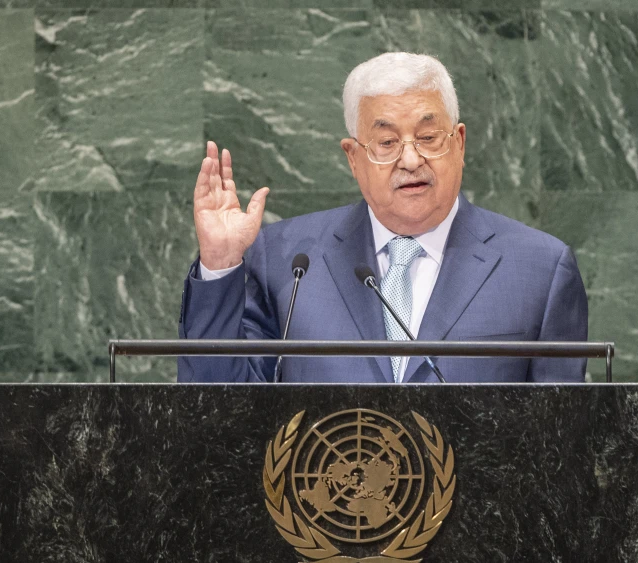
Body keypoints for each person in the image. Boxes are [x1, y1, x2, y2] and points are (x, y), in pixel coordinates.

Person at [178, 52, 588, 383]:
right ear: (354, 158)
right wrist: (219, 264)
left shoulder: (540, 269)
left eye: (428, 138)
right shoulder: (288, 261)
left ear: (459, 143)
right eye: (387, 142)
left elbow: (561, 443)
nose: (411, 159)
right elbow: (219, 412)